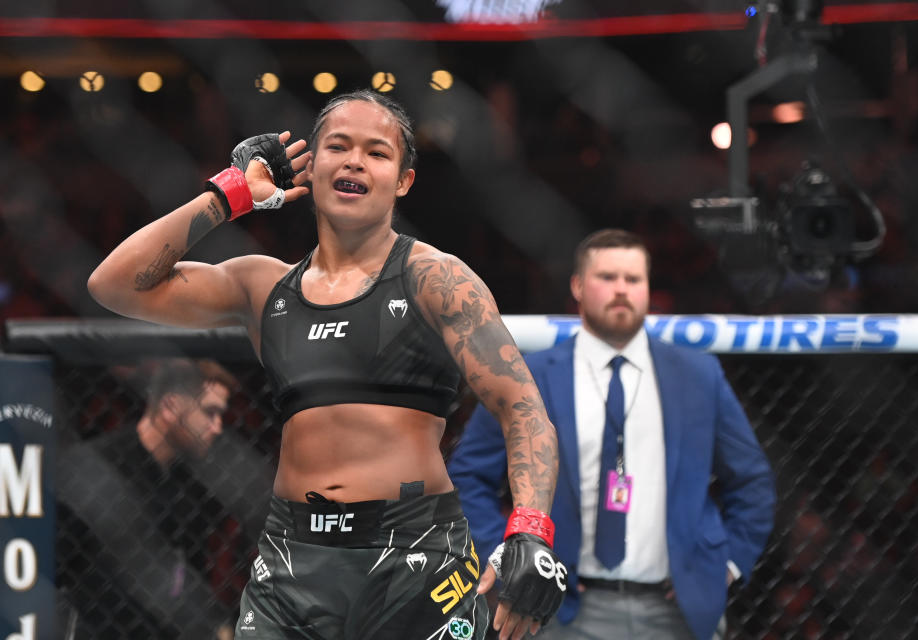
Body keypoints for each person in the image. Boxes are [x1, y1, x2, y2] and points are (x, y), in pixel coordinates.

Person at [87, 89, 567, 640]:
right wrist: (229, 195)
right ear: (309, 169)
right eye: (338, 147)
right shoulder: (262, 285)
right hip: (292, 558)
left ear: (403, 180)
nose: (355, 161)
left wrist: (530, 531)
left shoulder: (436, 279)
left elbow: (523, 408)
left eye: (377, 152)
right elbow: (113, 284)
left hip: (414, 552)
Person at [447, 229, 777, 640]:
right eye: (607, 277)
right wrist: (508, 556)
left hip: (677, 608)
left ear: (647, 289)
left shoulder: (697, 374)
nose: (621, 289)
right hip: (558, 606)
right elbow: (468, 477)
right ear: (578, 286)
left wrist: (725, 565)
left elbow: (752, 481)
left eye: (633, 279)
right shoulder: (530, 376)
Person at [57, 358, 241, 639]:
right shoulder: (94, 466)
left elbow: (191, 576)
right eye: (209, 412)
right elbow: (56, 571)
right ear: (170, 407)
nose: (217, 427)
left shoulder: (191, 485)